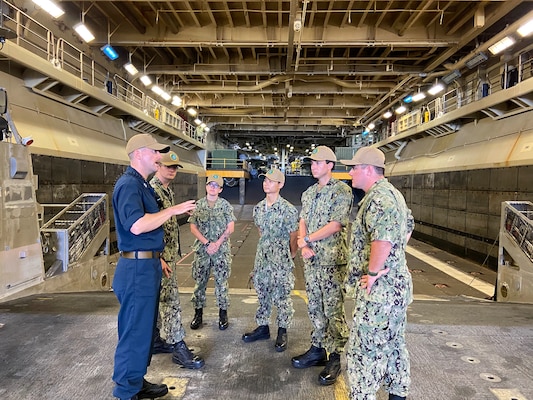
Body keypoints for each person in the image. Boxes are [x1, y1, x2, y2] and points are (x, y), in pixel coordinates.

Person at [112, 133, 196, 400]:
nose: (158, 157)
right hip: (136, 270)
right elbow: (136, 225)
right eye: (154, 152)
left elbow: (144, 233)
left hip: (146, 264)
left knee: (144, 329)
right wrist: (173, 210)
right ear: (138, 154)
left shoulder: (142, 184)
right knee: (134, 329)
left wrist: (156, 255)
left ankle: (135, 380)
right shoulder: (129, 185)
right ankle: (127, 390)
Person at [340, 147, 414, 400]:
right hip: (394, 286)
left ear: (369, 169)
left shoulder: (378, 198)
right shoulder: (393, 195)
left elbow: (382, 239)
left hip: (380, 290)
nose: (350, 173)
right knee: (393, 343)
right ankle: (397, 393)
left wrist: (373, 272)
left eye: (354, 168)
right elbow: (407, 229)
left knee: (365, 349)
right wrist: (393, 260)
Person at [292, 145, 353, 386]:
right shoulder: (308, 192)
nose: (314, 166)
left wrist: (306, 240)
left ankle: (335, 356)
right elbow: (303, 219)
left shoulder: (341, 191)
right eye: (312, 162)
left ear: (330, 164)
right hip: (312, 260)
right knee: (315, 306)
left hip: (331, 261)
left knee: (333, 310)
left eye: (318, 162)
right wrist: (303, 243)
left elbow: (336, 224)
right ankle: (318, 348)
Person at [149, 151, 204, 369]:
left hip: (168, 255)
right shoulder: (152, 192)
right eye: (167, 166)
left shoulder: (166, 191)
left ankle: (153, 340)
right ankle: (178, 346)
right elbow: (148, 226)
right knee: (170, 301)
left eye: (175, 167)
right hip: (160, 257)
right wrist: (159, 256)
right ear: (157, 166)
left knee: (158, 299)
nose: (172, 170)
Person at [242, 168, 298, 352]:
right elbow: (260, 231)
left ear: (280, 185)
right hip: (262, 258)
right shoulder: (258, 208)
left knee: (282, 295)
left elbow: (293, 235)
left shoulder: (288, 209)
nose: (266, 183)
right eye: (265, 180)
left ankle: (282, 330)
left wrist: (290, 254)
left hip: (281, 258)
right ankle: (263, 327)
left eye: (271, 181)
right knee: (263, 292)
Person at [189, 174, 236, 330]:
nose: (213, 187)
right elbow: (193, 227)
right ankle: (198, 314)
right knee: (199, 282)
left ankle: (223, 314)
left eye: (216, 185)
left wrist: (217, 243)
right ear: (206, 186)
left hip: (221, 250)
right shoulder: (198, 205)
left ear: (221, 189)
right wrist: (207, 243)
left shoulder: (225, 206)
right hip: (203, 250)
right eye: (211, 184)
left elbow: (231, 227)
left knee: (221, 283)